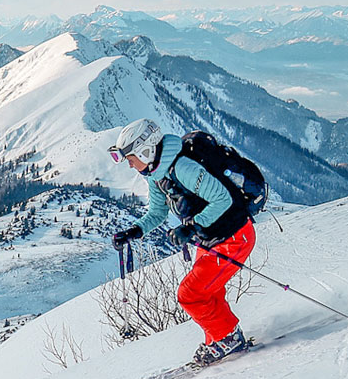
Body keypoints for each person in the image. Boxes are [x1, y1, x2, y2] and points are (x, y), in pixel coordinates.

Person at [107, 118, 257, 364]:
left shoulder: (183, 168)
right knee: (209, 293)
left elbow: (222, 199)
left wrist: (192, 227)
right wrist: (135, 231)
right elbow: (157, 212)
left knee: (191, 294)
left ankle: (229, 338)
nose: (130, 165)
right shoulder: (156, 174)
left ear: (146, 150)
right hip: (211, 239)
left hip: (234, 236)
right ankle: (218, 341)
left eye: (131, 158)